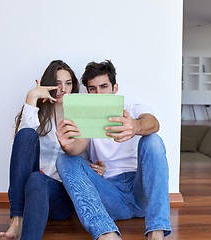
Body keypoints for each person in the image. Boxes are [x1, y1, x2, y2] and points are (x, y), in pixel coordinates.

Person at [56, 60, 171, 240]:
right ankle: (106, 233)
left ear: (115, 88)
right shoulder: (86, 118)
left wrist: (135, 126)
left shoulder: (133, 109)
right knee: (64, 158)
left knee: (153, 140)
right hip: (110, 195)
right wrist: (67, 146)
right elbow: (77, 149)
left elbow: (153, 123)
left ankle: (157, 232)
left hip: (140, 191)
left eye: (104, 86)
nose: (99, 93)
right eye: (93, 89)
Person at [0, 60, 106, 240]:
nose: (63, 88)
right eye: (57, 83)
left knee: (39, 179)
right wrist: (32, 98)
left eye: (68, 83)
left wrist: (97, 169)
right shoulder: (38, 114)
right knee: (26, 136)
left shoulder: (82, 115)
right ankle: (16, 221)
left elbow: (84, 155)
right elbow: (21, 146)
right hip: (29, 190)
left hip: (59, 195)